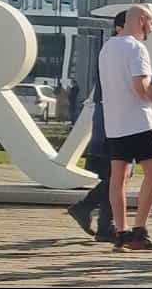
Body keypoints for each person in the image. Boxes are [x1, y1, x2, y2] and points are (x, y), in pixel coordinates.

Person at [98, 6, 152, 252]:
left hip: (114, 122)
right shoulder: (136, 48)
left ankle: (121, 232)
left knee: (118, 178)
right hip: (139, 121)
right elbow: (141, 87)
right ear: (141, 20)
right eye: (151, 22)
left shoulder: (108, 47)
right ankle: (139, 231)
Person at [66, 26, 118, 244]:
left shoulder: (111, 51)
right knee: (115, 176)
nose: (148, 28)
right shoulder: (117, 51)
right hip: (113, 121)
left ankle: (103, 224)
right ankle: (91, 212)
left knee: (114, 176)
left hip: (109, 118)